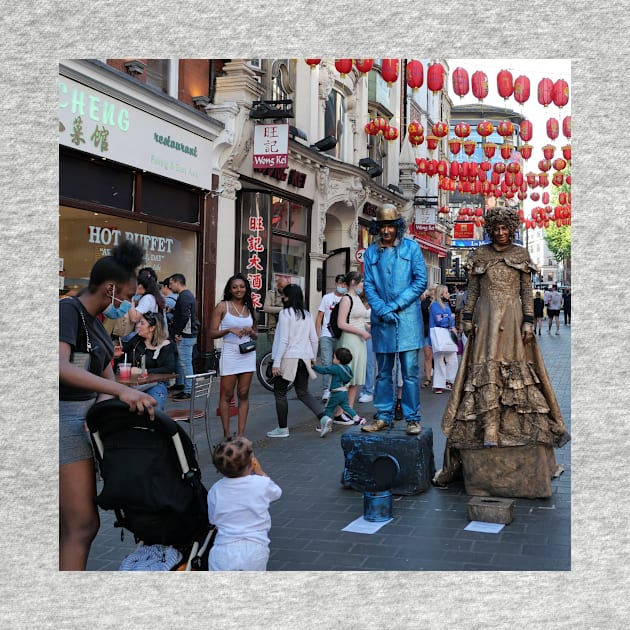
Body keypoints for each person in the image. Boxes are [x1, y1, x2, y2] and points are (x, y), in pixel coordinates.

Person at [435, 203, 570, 489]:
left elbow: (525, 291)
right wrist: (467, 317)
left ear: (512, 229)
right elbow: (471, 291)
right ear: (490, 229)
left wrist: (529, 322)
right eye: (496, 229)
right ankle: (488, 427)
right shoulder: (479, 254)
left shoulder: (521, 254)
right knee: (483, 368)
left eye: (505, 228)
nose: (500, 233)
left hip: (511, 317)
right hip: (484, 318)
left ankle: (509, 425)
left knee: (514, 370)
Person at [59, 240, 158, 570]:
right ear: (110, 289)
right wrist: (119, 393)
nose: (129, 305)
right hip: (63, 421)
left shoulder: (96, 323)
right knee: (83, 525)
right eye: (128, 297)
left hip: (80, 424)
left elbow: (107, 379)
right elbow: (59, 366)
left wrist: (111, 402)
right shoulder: (68, 311)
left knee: (74, 525)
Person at [362, 204, 427, 435]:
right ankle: (383, 415)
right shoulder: (370, 252)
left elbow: (420, 281)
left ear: (398, 226)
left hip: (408, 320)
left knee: (410, 372)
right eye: (382, 226)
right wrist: (381, 309)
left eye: (390, 226)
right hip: (382, 321)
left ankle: (412, 418)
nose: (386, 231)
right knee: (383, 373)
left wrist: (394, 305)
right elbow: (368, 285)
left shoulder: (412, 248)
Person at [207, 436, 282, 571]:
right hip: (255, 548)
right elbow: (277, 493)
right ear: (251, 463)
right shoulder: (261, 483)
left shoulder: (215, 490)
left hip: (223, 549)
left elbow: (213, 519)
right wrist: (260, 472)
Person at [266, 284, 327, 438]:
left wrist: (276, 362)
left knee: (279, 392)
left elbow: (284, 340)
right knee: (303, 392)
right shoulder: (307, 314)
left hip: (288, 357)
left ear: (288, 297)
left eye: (284, 296)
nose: (282, 298)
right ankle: (324, 417)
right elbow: (314, 339)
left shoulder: (285, 314)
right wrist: (312, 357)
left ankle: (282, 428)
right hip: (304, 357)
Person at [209, 273, 258, 438]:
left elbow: (256, 334)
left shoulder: (250, 307)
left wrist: (251, 332)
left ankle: (241, 434)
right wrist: (228, 330)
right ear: (230, 289)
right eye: (235, 287)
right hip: (230, 353)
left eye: (242, 287)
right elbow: (211, 333)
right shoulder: (223, 306)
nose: (239, 290)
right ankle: (226, 433)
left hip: (247, 354)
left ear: (246, 289)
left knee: (243, 393)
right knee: (227, 394)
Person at [119, 312, 177, 411]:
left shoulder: (167, 345)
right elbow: (124, 349)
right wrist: (117, 351)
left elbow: (169, 368)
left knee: (154, 408)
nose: (137, 326)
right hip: (131, 384)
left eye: (142, 323)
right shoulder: (137, 340)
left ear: (152, 328)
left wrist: (143, 371)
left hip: (155, 384)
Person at [336, 271, 371, 410]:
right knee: (346, 378)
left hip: (359, 341)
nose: (363, 284)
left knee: (355, 379)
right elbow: (341, 323)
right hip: (350, 340)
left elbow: (359, 319)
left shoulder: (357, 298)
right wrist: (362, 331)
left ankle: (349, 410)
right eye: (361, 281)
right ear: (353, 282)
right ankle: (339, 412)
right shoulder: (346, 298)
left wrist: (367, 326)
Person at [313, 347, 366, 436]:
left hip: (335, 393)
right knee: (347, 407)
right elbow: (349, 378)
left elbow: (323, 370)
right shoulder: (347, 368)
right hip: (344, 392)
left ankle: (324, 426)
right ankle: (357, 419)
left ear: (338, 360)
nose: (333, 359)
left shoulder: (335, 368)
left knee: (328, 409)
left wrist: (313, 366)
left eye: (334, 357)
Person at [315, 274, 347, 401]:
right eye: (340, 283)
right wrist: (317, 335)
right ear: (336, 283)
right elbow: (319, 317)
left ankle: (337, 387)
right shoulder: (327, 298)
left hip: (341, 335)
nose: (342, 286)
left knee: (340, 363)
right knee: (326, 362)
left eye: (344, 284)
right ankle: (326, 390)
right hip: (326, 335)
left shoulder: (347, 299)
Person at [168, 273, 200, 400]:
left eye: (171, 283)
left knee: (185, 363)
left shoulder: (184, 296)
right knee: (185, 362)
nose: (170, 286)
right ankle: (185, 388)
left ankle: (188, 390)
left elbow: (185, 316)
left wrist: (178, 332)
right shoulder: (187, 295)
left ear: (177, 282)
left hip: (186, 335)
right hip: (188, 334)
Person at [429, 285, 458, 394]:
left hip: (446, 333)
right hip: (440, 334)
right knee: (439, 360)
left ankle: (448, 380)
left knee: (452, 359)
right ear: (441, 294)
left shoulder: (445, 305)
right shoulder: (435, 305)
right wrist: (451, 318)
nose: (448, 294)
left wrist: (449, 320)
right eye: (446, 292)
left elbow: (443, 318)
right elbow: (440, 320)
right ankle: (440, 383)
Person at [358, 291, 375, 403]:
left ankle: (368, 390)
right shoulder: (357, 300)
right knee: (361, 362)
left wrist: (368, 325)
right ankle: (366, 387)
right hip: (358, 332)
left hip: (370, 333)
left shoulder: (374, 302)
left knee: (369, 362)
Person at [420, 287, 435, 388]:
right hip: (427, 331)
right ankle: (428, 379)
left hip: (440, 332)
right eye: (432, 290)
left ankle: (441, 379)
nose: (433, 292)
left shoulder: (443, 302)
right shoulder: (424, 303)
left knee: (439, 357)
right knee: (428, 355)